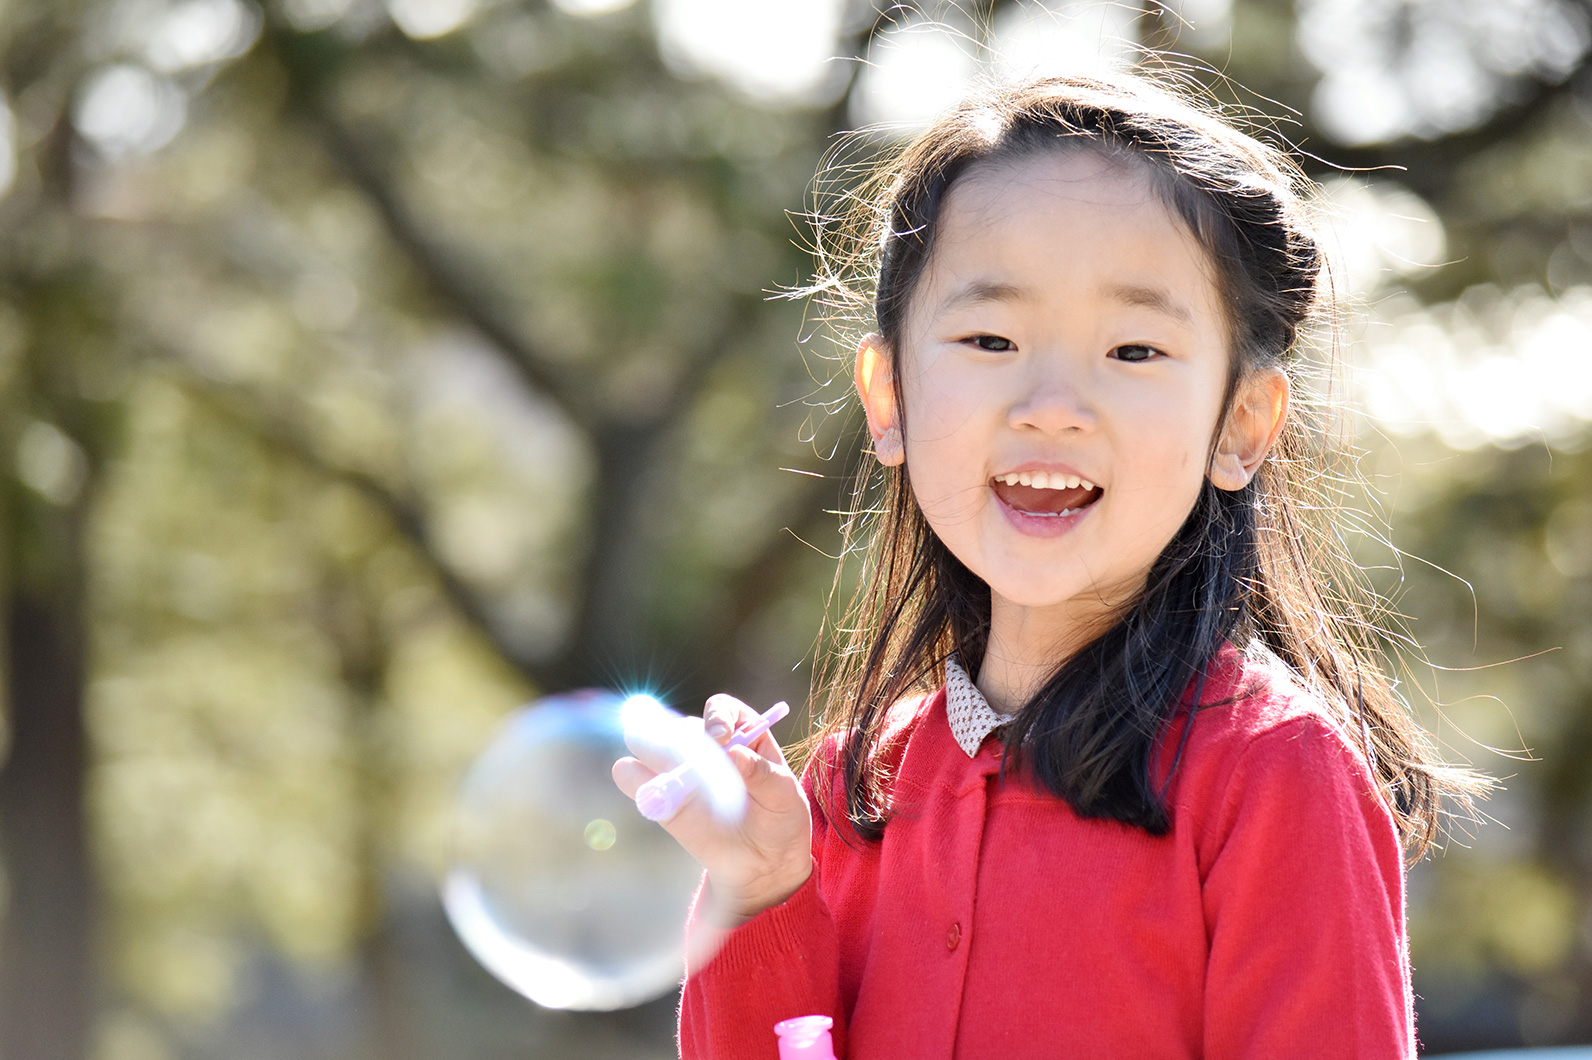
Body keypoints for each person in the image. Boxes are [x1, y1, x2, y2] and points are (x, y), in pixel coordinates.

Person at [613, 71, 1482, 1059]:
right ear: (887, 396)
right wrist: (762, 890)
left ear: (1241, 424)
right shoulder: (848, 788)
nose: (1052, 406)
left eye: (1133, 350)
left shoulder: (1271, 775)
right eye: (990, 338)